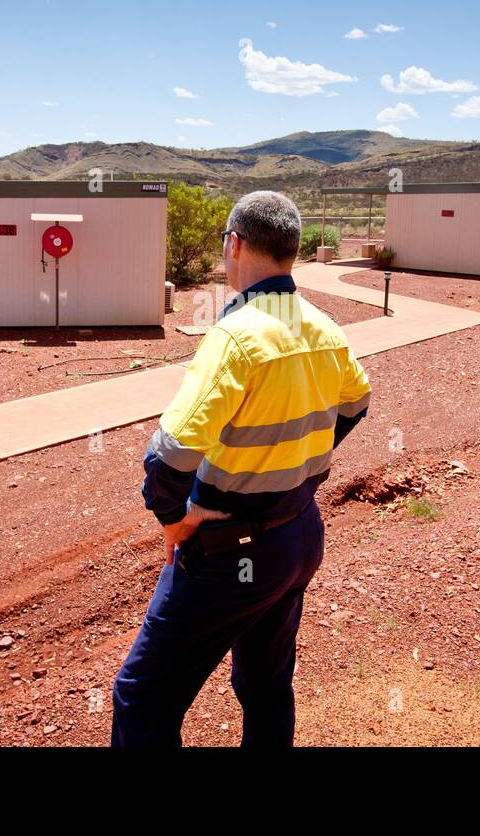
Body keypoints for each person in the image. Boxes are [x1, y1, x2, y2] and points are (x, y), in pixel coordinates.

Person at [111, 190, 371, 746]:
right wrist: (299, 466)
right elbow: (356, 404)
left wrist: (174, 519)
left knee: (142, 695)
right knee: (265, 684)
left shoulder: (234, 337)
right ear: (294, 250)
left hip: (232, 552)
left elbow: (169, 455)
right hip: (299, 536)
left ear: (235, 243)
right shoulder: (325, 328)